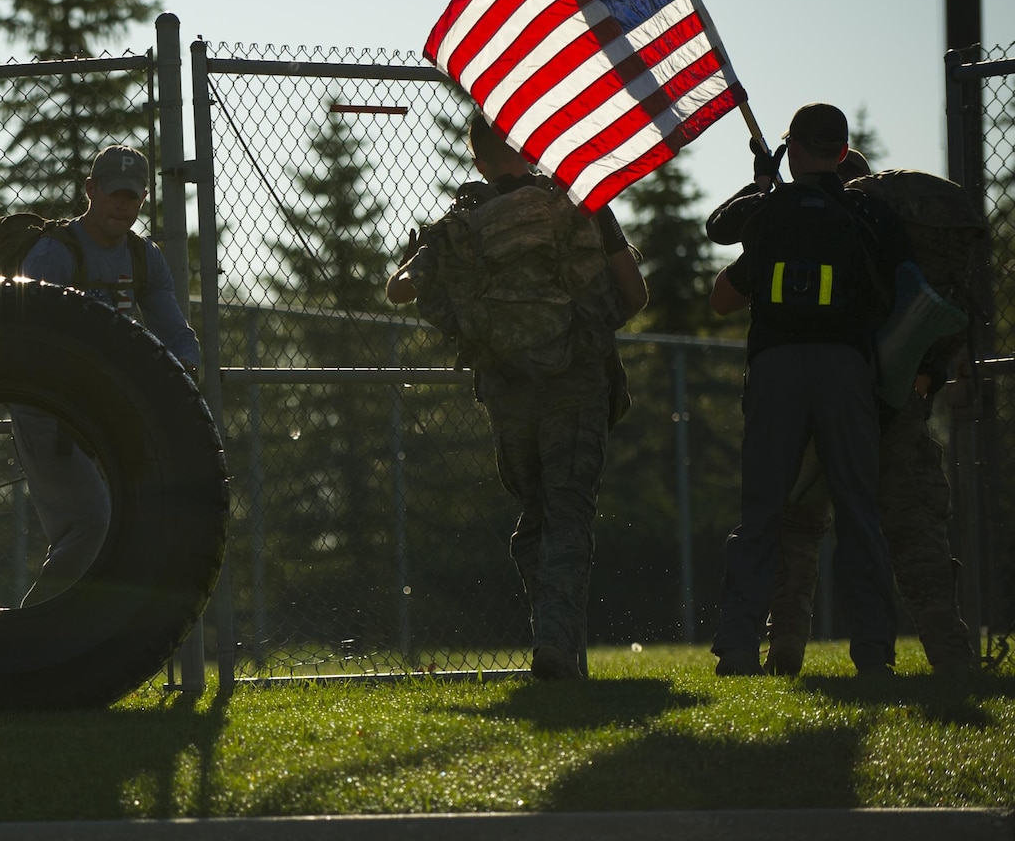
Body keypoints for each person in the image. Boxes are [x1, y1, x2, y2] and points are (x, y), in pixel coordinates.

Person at [386, 117, 646, 680]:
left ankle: (554, 643)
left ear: (478, 161)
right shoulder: (579, 205)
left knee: (536, 514)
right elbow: (635, 292)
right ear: (530, 148)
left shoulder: (460, 225)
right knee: (569, 511)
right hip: (576, 382)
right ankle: (557, 644)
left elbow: (399, 288)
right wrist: (583, 334)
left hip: (507, 388)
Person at [705, 148, 976, 676]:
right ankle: (947, 656)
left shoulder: (798, 226)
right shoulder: (888, 231)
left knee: (794, 528)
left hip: (805, 400)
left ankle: (784, 650)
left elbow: (724, 295)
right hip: (890, 405)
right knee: (911, 527)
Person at [11, 145, 201, 606]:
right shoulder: (55, 253)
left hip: (109, 407)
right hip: (49, 409)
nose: (123, 206)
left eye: (133, 197)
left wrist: (186, 378)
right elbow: (30, 342)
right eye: (114, 194)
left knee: (134, 521)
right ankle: (30, 634)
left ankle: (83, 640)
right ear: (90, 191)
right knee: (90, 522)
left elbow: (175, 334)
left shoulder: (144, 258)